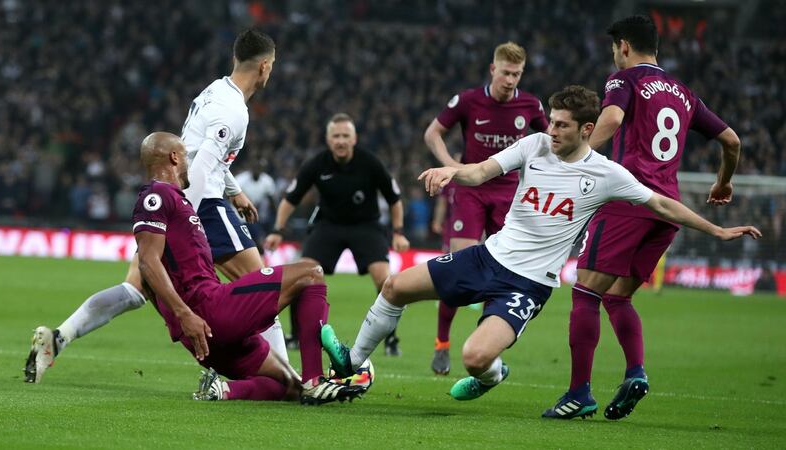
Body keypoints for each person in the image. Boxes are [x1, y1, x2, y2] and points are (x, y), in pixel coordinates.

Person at [318, 86, 759, 407]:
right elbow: (482, 171)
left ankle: (493, 374)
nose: (551, 130)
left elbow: (663, 203)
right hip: (487, 256)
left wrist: (718, 232)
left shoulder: (605, 174)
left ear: (588, 129)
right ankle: (354, 367)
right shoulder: (533, 145)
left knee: (473, 358)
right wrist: (452, 171)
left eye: (562, 125)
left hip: (527, 286)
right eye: (551, 120)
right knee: (394, 287)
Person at [24, 28, 288, 383]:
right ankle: (286, 381)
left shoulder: (213, 91)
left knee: (135, 289)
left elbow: (196, 152)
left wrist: (235, 190)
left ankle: (58, 337)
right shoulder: (234, 112)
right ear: (266, 66)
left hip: (175, 201)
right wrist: (187, 220)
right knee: (263, 290)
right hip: (200, 206)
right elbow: (204, 166)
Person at [543, 15, 743, 420]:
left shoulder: (625, 80)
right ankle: (635, 372)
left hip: (627, 199)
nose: (614, 55)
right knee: (618, 296)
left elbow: (613, 119)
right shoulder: (684, 92)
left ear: (625, 47)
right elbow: (731, 140)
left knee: (585, 293)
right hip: (667, 208)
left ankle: (578, 393)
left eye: (614, 48)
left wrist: (575, 160)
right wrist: (723, 182)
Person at [132, 131, 362, 404]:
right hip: (209, 309)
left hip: (203, 332)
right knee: (311, 274)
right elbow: (147, 263)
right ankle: (315, 379)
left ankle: (225, 391)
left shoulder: (179, 201)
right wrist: (185, 314)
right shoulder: (158, 195)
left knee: (289, 387)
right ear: (174, 157)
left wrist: (180, 326)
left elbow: (149, 280)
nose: (188, 164)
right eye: (185, 157)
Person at [423, 41, 549, 374]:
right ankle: (442, 343)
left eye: (517, 74)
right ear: (493, 69)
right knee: (458, 268)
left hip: (510, 194)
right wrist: (451, 165)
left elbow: (554, 143)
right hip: (470, 191)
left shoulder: (531, 105)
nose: (511, 80)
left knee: (507, 272)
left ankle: (488, 343)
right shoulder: (468, 101)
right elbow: (433, 133)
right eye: (506, 72)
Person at [264, 113, 410, 356]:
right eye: (336, 136)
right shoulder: (316, 164)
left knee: (384, 279)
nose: (341, 141)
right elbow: (291, 199)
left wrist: (398, 232)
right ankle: (294, 335)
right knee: (302, 272)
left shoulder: (370, 162)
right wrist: (278, 230)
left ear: (354, 139)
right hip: (328, 225)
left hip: (366, 225)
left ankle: (391, 340)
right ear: (328, 140)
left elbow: (394, 200)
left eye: (345, 136)